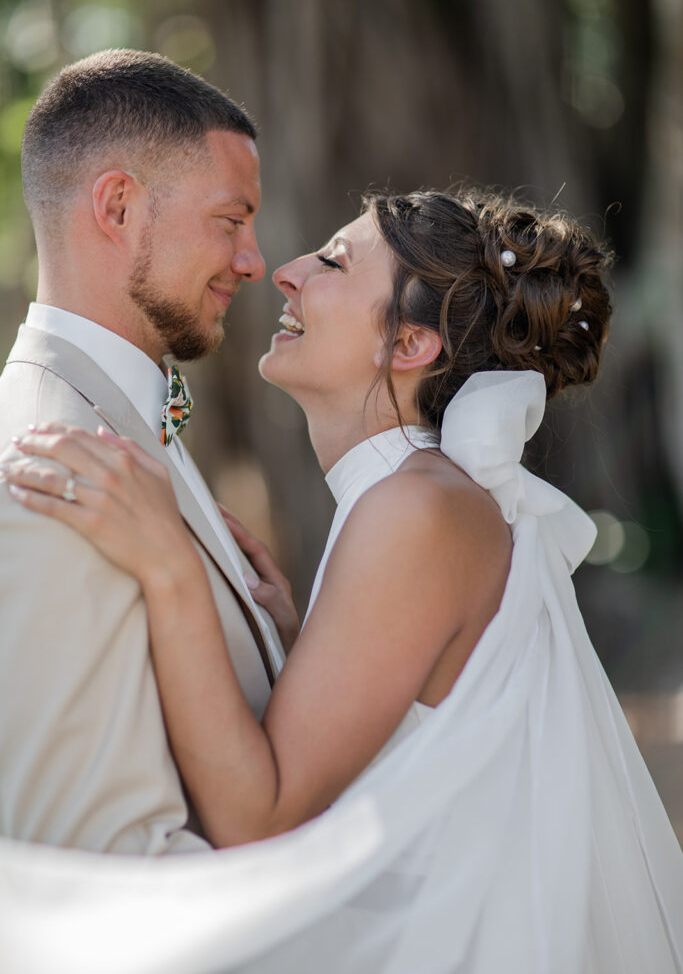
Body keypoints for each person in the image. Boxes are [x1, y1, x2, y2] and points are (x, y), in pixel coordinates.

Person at [4, 188, 683, 973]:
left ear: (409, 345)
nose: (286, 273)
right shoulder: (424, 499)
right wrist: (303, 644)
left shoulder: (418, 508)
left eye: (333, 261)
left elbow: (256, 820)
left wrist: (170, 567)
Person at [0, 48, 286, 855]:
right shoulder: (50, 470)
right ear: (119, 208)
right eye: (231, 221)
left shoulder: (122, 414)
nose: (253, 261)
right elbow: (97, 861)